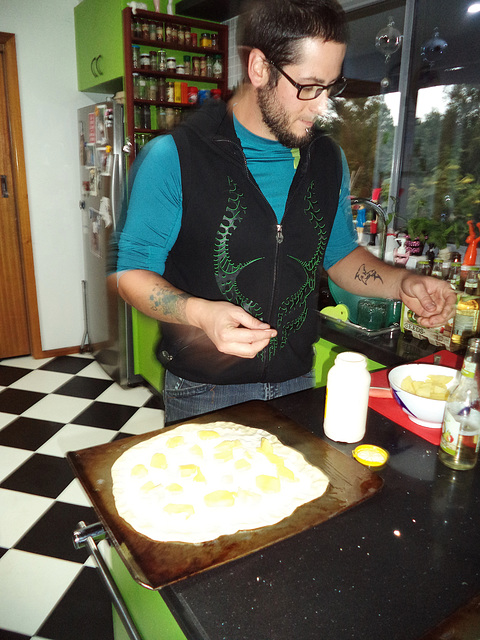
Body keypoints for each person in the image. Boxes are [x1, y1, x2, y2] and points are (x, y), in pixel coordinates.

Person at [117, 0, 456, 424]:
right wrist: (198, 313)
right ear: (260, 68)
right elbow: (131, 272)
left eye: (332, 86)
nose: (322, 105)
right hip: (205, 390)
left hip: (297, 381)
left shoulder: (327, 159)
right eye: (310, 86)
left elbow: (338, 255)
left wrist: (402, 282)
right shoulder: (174, 157)